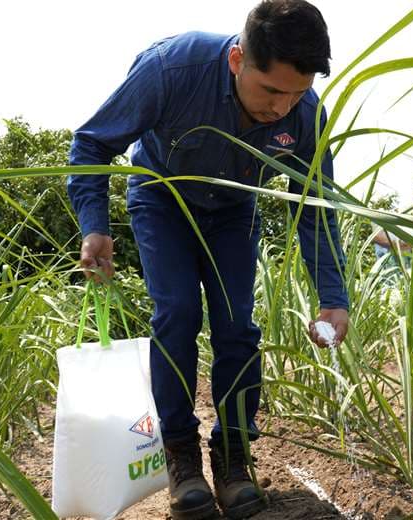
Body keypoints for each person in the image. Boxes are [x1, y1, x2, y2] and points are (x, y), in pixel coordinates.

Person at [67, 1, 349, 518]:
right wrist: (95, 226)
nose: (281, 108)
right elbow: (91, 142)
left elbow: (315, 207)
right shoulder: (172, 69)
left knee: (237, 324)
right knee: (176, 314)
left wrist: (333, 298)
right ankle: (180, 455)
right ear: (238, 60)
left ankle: (233, 457)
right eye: (270, 91)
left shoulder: (305, 113)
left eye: (297, 93)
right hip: (161, 197)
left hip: (233, 210)